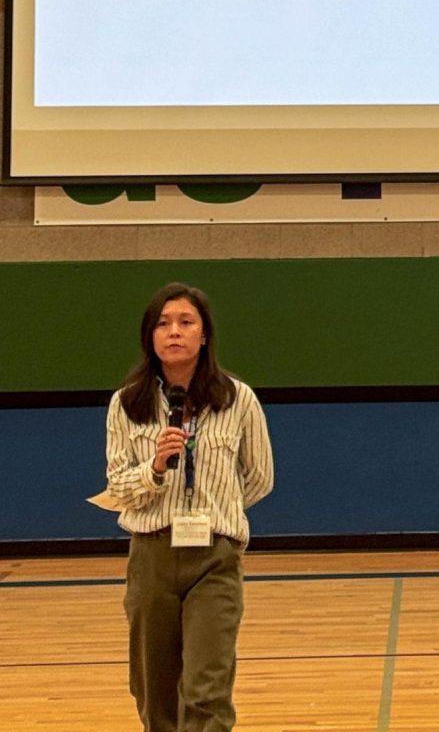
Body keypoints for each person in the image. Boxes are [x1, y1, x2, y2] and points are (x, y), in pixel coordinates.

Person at [105, 282, 274, 732]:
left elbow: (258, 478)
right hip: (152, 556)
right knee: (154, 692)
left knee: (206, 688)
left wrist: (217, 510)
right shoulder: (126, 404)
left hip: (215, 559)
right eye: (162, 323)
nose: (173, 332)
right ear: (150, 337)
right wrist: (156, 467)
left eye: (185, 322)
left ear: (204, 335)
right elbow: (118, 486)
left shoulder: (239, 400)